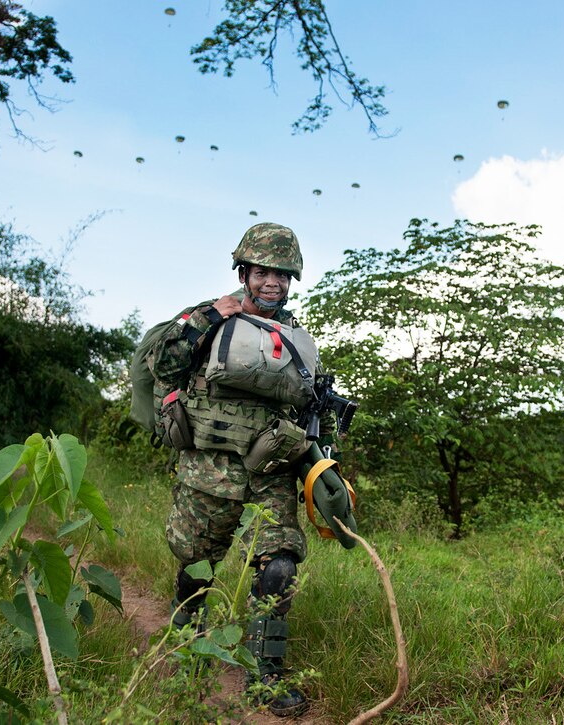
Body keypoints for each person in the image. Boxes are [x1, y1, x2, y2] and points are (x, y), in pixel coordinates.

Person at [148, 222, 333, 717]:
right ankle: (186, 649)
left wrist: (322, 462)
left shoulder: (294, 338)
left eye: (283, 274)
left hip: (269, 470)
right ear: (245, 271)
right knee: (194, 567)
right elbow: (163, 366)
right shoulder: (210, 317)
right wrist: (206, 317)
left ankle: (265, 675)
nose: (273, 281)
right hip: (209, 467)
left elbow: (309, 407)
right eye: (263, 271)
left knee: (279, 565)